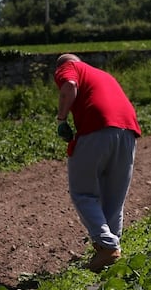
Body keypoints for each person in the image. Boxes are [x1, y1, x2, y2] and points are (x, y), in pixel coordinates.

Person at [54, 54, 142, 272]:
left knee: (83, 193)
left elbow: (70, 86)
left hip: (98, 128)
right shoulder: (103, 75)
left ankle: (107, 245)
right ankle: (110, 254)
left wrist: (62, 118)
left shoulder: (69, 67)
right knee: (114, 196)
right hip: (128, 131)